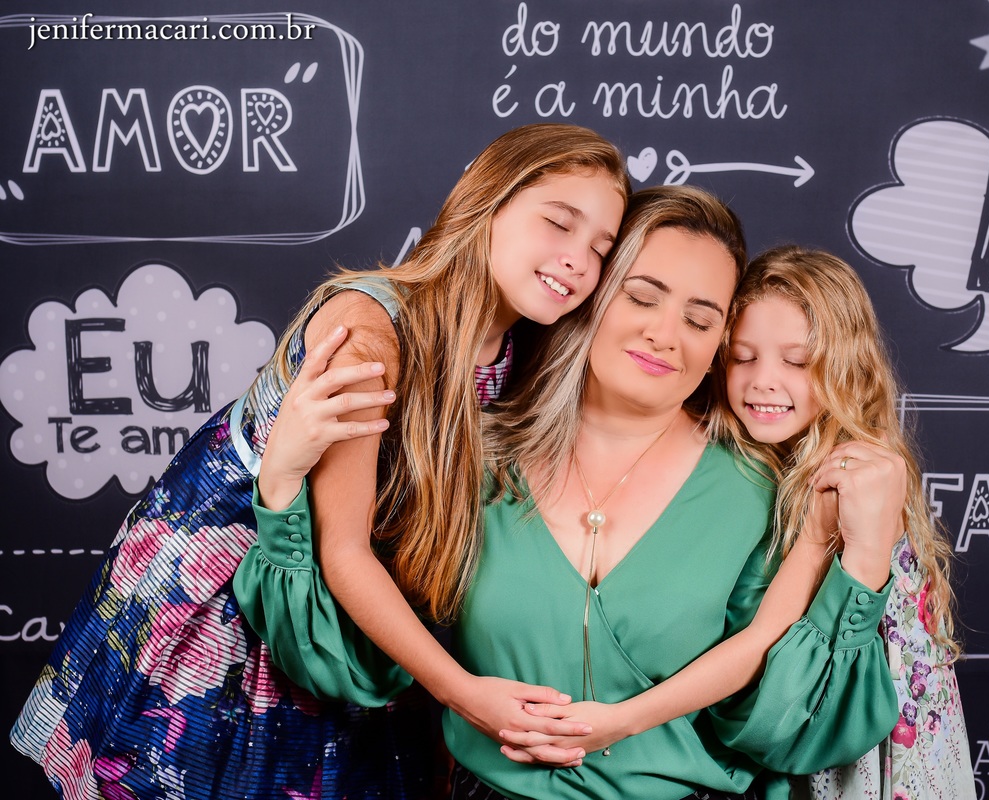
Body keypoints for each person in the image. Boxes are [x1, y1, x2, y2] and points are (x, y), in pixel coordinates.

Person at [9, 123, 630, 800]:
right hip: (238, 604)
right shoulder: (371, 329)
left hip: (358, 624)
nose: (578, 259)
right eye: (558, 223)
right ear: (488, 200)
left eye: (601, 249)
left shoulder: (523, 358)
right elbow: (343, 551)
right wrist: (462, 691)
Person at [247, 186, 904, 799]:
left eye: (700, 320)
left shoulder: (761, 493)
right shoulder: (471, 458)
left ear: (718, 347)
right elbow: (347, 654)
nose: (665, 335)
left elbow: (782, 721)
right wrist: (280, 496)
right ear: (592, 294)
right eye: (641, 297)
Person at [714, 246, 975, 799]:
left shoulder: (856, 478)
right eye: (742, 357)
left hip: (855, 746)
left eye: (797, 362)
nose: (763, 381)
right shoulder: (746, 469)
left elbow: (807, 678)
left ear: (846, 368)